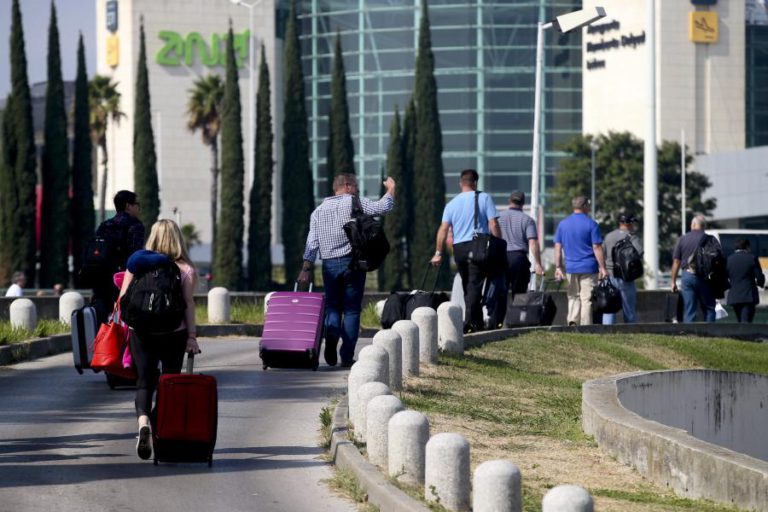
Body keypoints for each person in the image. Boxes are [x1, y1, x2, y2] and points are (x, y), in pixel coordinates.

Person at [117, 219, 200, 460]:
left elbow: (123, 298)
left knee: (144, 382)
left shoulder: (137, 264)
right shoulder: (185, 269)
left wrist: (127, 329)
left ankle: (143, 423)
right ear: (178, 239)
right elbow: (188, 305)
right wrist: (192, 337)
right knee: (168, 382)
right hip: (174, 332)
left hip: (141, 331)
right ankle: (156, 425)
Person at [298, 173, 396, 368]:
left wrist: (306, 268)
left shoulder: (318, 211)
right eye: (356, 187)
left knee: (333, 306)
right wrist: (391, 189)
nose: (357, 190)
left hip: (329, 265)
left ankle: (332, 332)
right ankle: (346, 356)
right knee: (351, 310)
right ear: (348, 186)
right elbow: (382, 207)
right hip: (353, 264)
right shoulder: (353, 202)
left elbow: (312, 242)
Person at [431, 169, 501, 333]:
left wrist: (438, 253)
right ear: (475, 183)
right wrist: (499, 244)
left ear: (461, 183)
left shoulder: (451, 204)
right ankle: (470, 322)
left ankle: (476, 323)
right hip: (478, 246)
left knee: (468, 285)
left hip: (459, 249)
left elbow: (443, 229)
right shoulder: (484, 198)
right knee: (475, 286)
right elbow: (493, 225)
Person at [490, 191, 543, 328]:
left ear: (509, 201)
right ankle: (517, 322)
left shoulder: (498, 217)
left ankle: (496, 323)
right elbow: (533, 243)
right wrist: (538, 263)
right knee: (519, 294)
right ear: (523, 203)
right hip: (519, 258)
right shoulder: (527, 220)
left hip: (501, 258)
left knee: (500, 292)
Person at [91, 190, 145, 324]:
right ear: (128, 206)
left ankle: (102, 343)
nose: (139, 208)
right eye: (137, 204)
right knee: (125, 318)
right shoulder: (136, 226)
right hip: (124, 279)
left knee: (102, 319)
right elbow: (136, 256)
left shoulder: (104, 226)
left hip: (103, 279)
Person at [553, 196, 607, 325]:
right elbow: (597, 247)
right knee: (586, 298)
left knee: (573, 296)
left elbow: (557, 246)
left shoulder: (563, 224)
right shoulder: (591, 224)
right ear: (585, 207)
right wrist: (603, 268)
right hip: (589, 267)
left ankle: (572, 321)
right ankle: (585, 325)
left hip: (571, 267)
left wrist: (558, 267)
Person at [669, 215, 719, 323]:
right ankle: (710, 334)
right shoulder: (710, 239)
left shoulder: (683, 239)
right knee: (709, 308)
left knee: (689, 308)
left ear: (693, 224)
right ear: (704, 226)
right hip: (705, 278)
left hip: (687, 276)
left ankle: (689, 334)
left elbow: (676, 262)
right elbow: (718, 259)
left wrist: (673, 282)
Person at [602, 214, 643, 324]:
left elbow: (602, 254)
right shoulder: (632, 236)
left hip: (610, 275)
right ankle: (630, 330)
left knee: (609, 307)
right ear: (629, 224)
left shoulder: (608, 236)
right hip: (626, 276)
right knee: (628, 307)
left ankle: (607, 330)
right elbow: (639, 253)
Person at [726, 238, 765, 323]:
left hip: (734, 296)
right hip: (748, 295)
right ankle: (745, 336)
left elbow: (725, 276)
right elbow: (759, 277)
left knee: (740, 319)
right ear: (747, 247)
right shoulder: (752, 258)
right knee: (746, 321)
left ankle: (740, 335)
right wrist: (760, 283)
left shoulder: (729, 259)